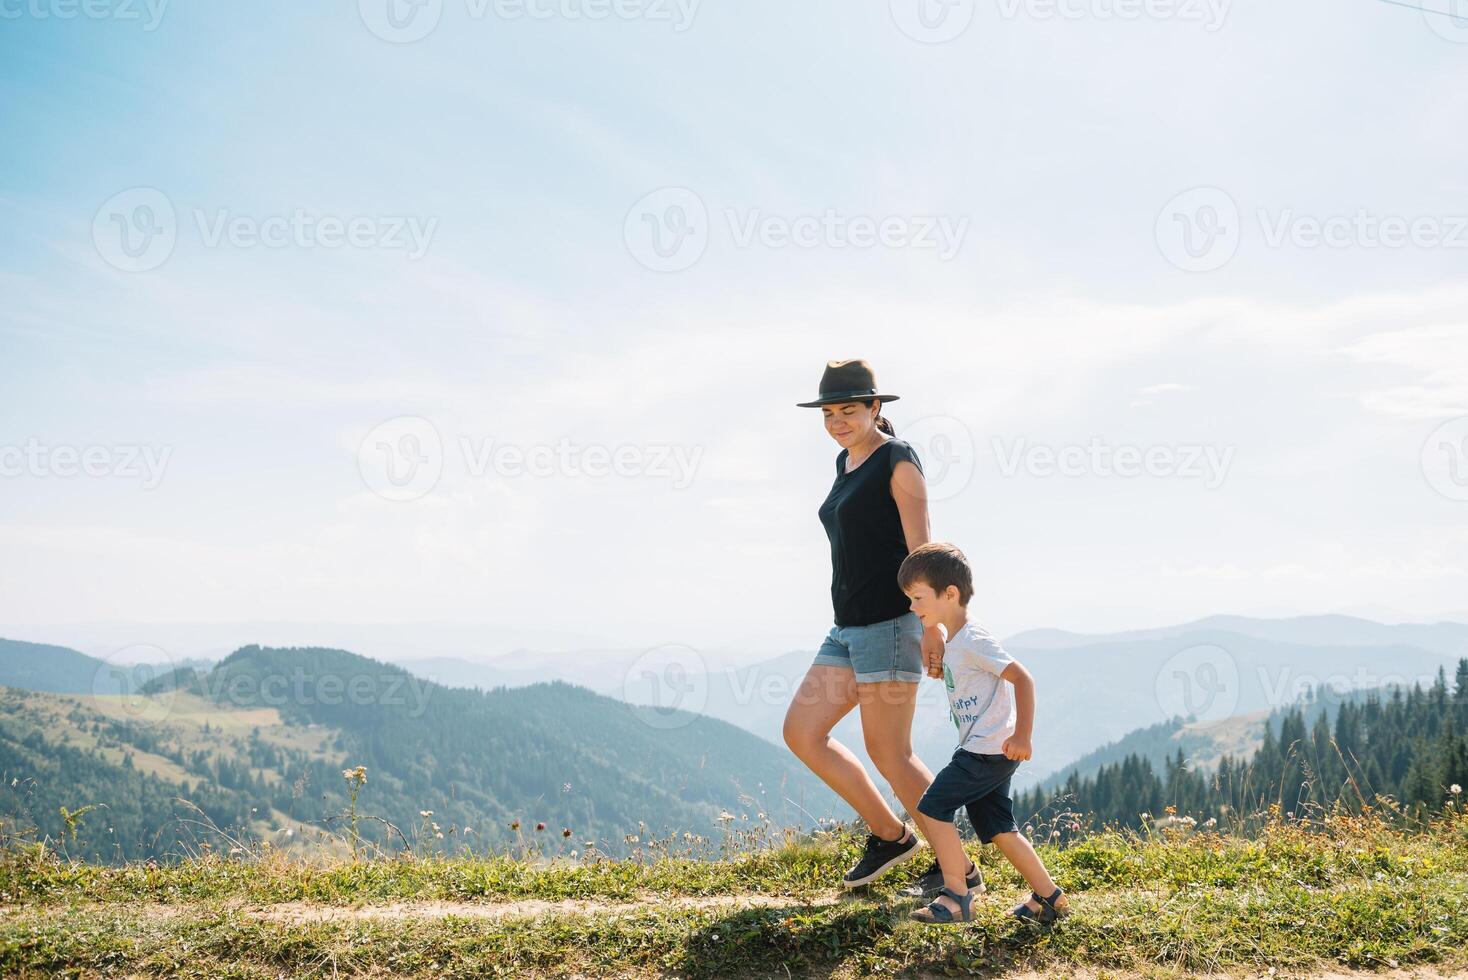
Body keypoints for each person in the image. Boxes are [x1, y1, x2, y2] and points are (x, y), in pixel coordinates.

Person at [782, 358, 949, 889]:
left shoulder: (897, 459)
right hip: (847, 628)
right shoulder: (845, 464)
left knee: (891, 753)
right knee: (803, 733)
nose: (837, 421)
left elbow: (923, 549)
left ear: (875, 407)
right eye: (829, 412)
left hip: (892, 624)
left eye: (848, 410)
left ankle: (958, 869)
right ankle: (891, 837)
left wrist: (931, 623)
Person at [896, 541, 1070, 926]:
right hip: (990, 750)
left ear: (950, 594)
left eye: (918, 597)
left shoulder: (973, 638)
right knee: (998, 828)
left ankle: (957, 894)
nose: (913, 607)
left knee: (933, 807)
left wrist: (1023, 735)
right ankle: (1050, 897)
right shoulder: (957, 640)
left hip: (986, 751)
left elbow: (1022, 678)